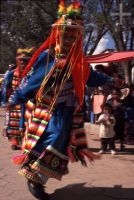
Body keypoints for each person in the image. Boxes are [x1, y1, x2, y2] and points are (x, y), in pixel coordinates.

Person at [5, 2, 122, 199]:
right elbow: (31, 79)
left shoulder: (78, 60)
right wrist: (15, 97)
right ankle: (35, 178)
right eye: (65, 33)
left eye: (73, 34)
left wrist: (112, 81)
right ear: (58, 33)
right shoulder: (48, 56)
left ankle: (37, 178)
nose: (68, 38)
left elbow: (92, 77)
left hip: (67, 110)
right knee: (53, 137)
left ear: (78, 36)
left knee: (59, 144)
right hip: (48, 108)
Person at [2, 47, 35, 149]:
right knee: (13, 121)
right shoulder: (11, 73)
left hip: (28, 101)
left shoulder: (33, 73)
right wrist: (6, 100)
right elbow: (5, 86)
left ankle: (26, 141)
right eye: (20, 60)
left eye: (25, 60)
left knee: (28, 121)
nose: (22, 62)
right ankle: (14, 140)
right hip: (15, 100)